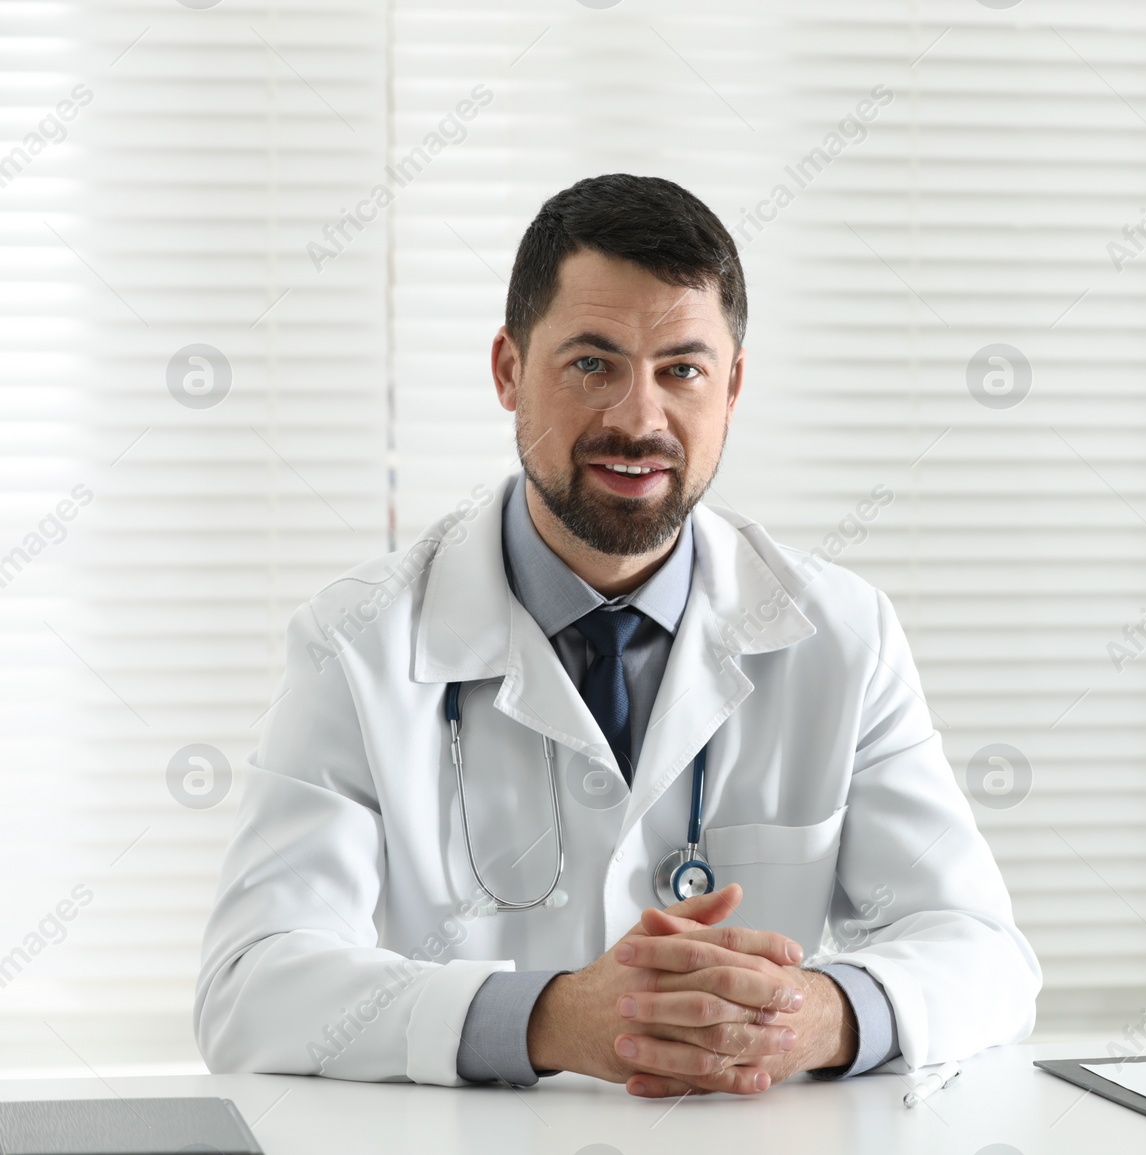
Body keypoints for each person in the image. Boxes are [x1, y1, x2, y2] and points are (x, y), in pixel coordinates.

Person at [195, 173, 1040, 1097]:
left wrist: (808, 1015)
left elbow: (985, 953)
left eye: (682, 369)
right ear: (509, 370)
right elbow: (254, 986)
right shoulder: (355, 639)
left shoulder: (842, 634)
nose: (640, 420)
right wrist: (554, 1017)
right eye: (592, 364)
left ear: (734, 385)